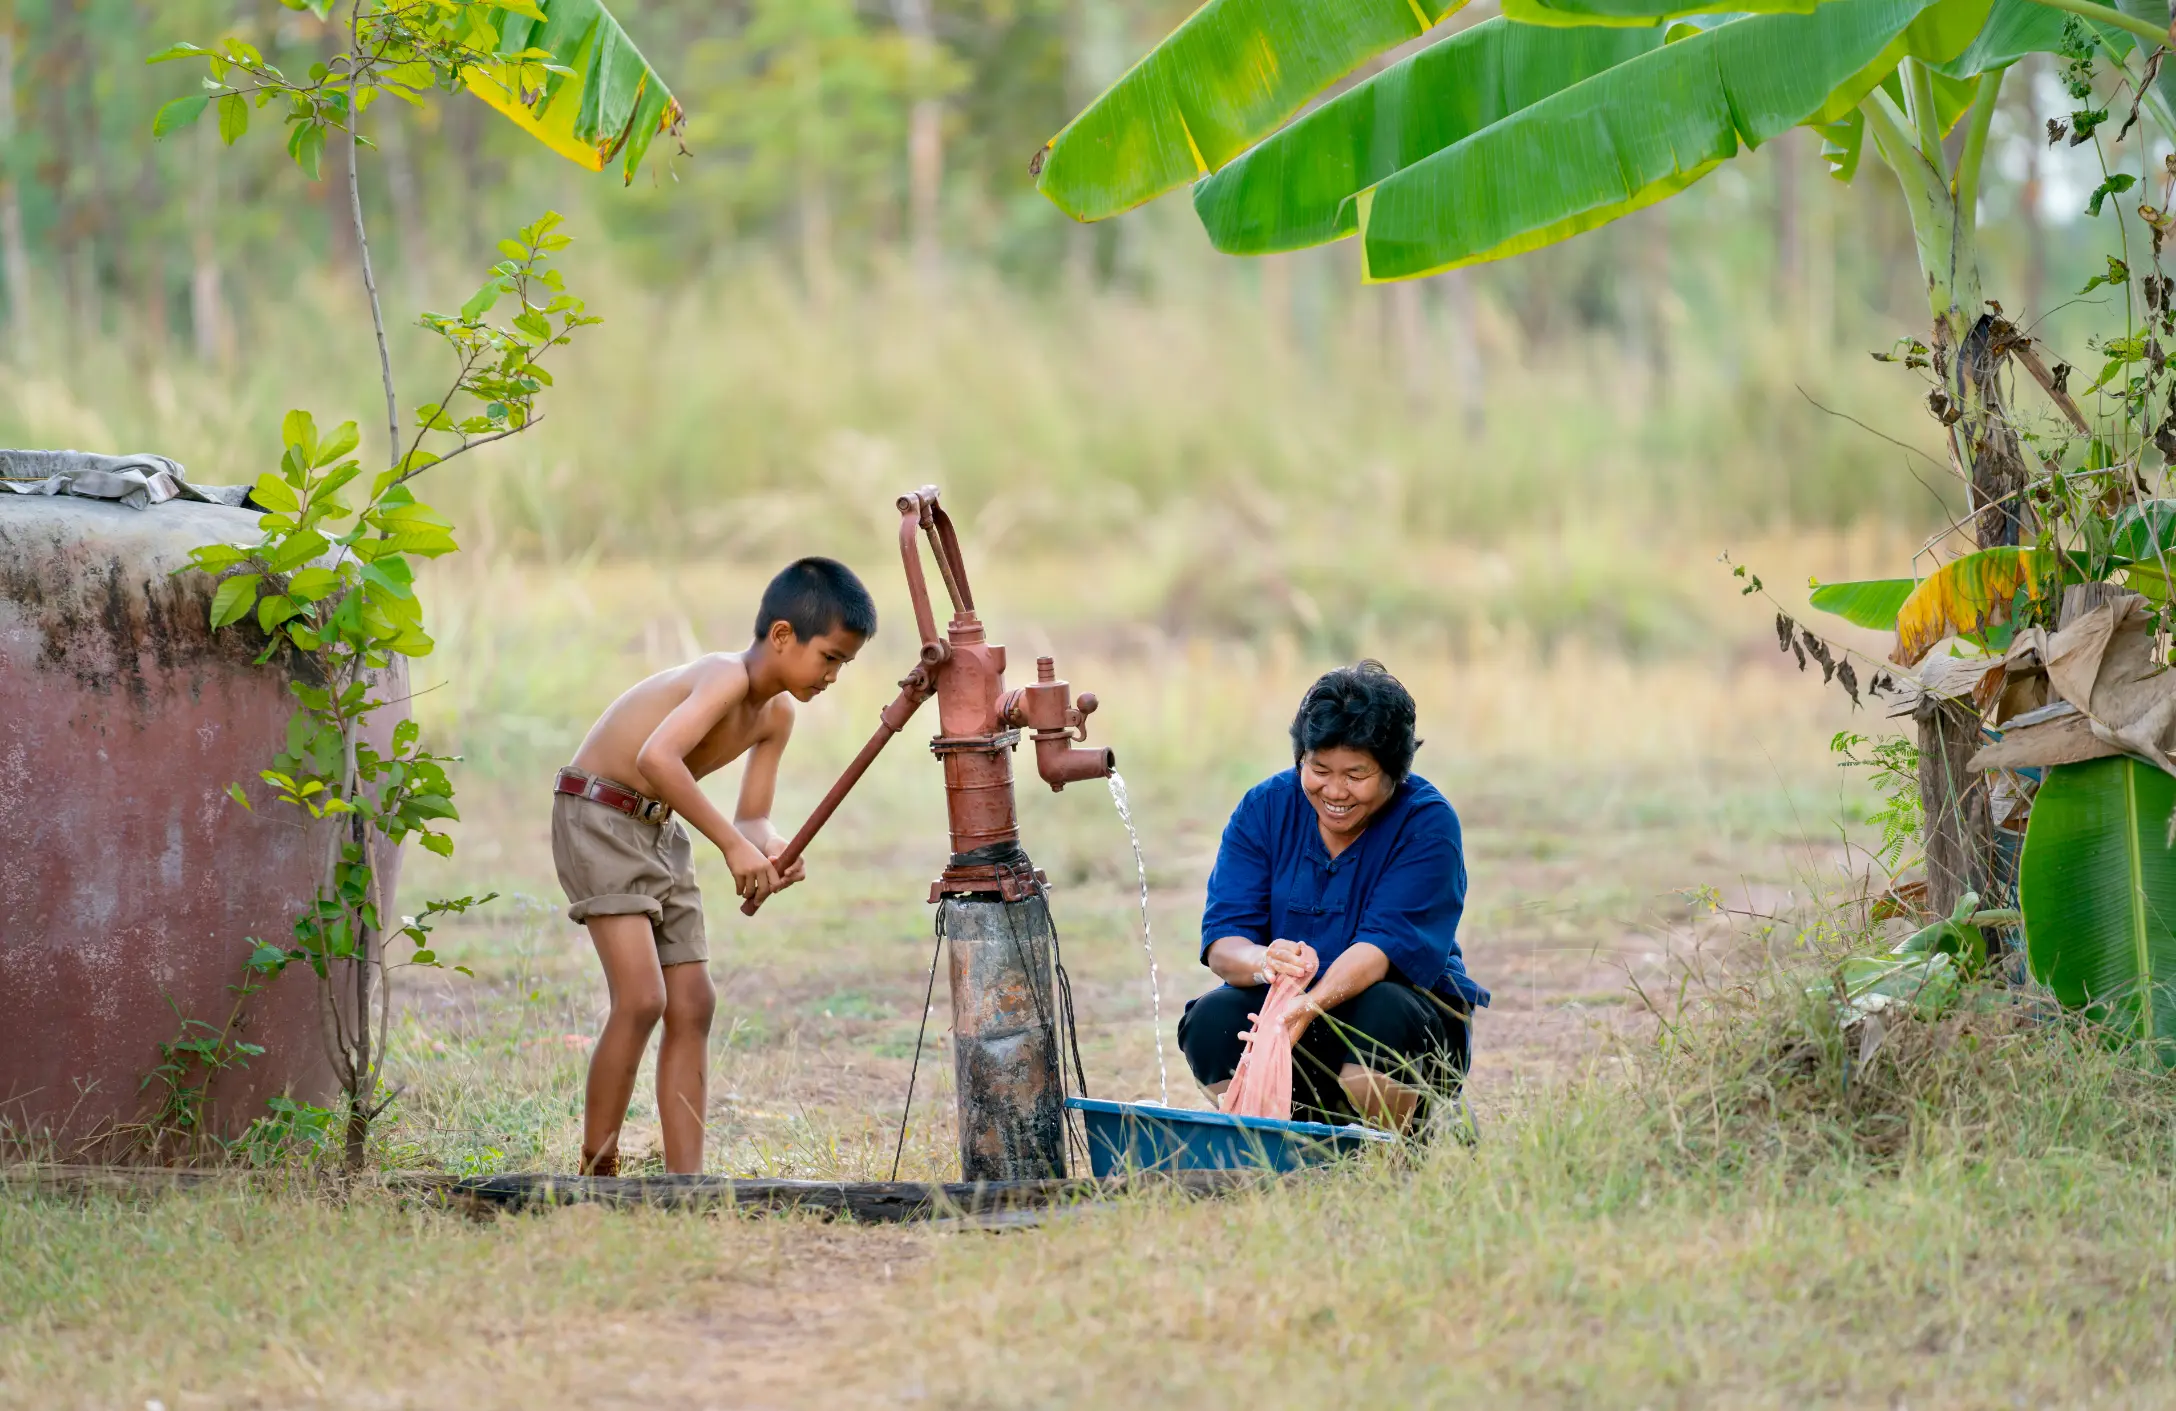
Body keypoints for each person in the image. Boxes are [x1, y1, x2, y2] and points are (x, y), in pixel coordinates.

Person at [552, 557, 875, 1175]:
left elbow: (753, 818)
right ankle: (596, 1170)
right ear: (783, 636)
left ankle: (686, 1182)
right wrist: (730, 846)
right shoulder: (724, 676)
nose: (834, 675)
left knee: (693, 1002)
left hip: (656, 825)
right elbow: (658, 757)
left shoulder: (778, 715)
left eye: (844, 664)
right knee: (643, 998)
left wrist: (772, 848)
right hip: (598, 813)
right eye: (830, 657)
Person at [1178, 660, 1487, 1132]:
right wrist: (1264, 961)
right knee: (1212, 1021)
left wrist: (1305, 1006)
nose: (1335, 791)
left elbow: (1379, 951)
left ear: (1394, 772)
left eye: (1356, 774)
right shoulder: (1265, 808)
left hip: (1396, 1019)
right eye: (1319, 769)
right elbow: (1225, 943)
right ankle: (1288, 1137)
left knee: (1383, 1010)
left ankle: (1403, 1144)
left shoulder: (1426, 824)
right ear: (1300, 757)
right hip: (1292, 1016)